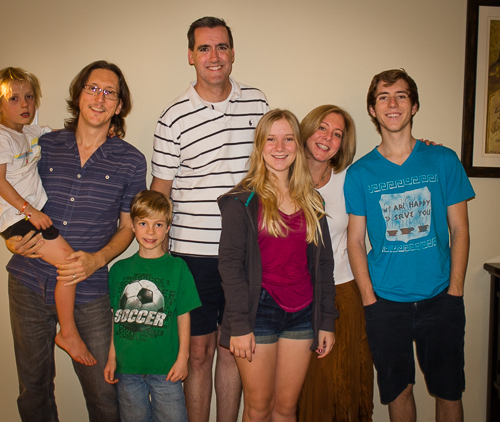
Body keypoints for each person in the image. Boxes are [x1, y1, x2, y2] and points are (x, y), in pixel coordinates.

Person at [5, 60, 147, 421]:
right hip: (28, 280)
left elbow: (128, 227)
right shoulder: (43, 144)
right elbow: (13, 197)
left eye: (109, 92)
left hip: (88, 288)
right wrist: (11, 241)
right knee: (33, 389)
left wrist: (98, 259)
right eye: (92, 88)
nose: (99, 98)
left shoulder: (131, 161)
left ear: (119, 105)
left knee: (104, 393)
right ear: (79, 95)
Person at [150, 16, 269, 422]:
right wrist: (157, 256)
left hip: (244, 252)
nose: (214, 56)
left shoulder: (257, 103)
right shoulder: (172, 116)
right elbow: (160, 193)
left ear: (232, 53)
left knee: (235, 348)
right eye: (204, 48)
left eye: (221, 47)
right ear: (191, 56)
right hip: (191, 256)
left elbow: (278, 162)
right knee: (198, 352)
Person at [345, 69, 475, 422]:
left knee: (448, 391)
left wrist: (456, 290)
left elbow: (460, 228)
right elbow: (355, 240)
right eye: (383, 97)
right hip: (386, 302)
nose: (392, 103)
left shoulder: (443, 160)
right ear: (372, 109)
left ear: (414, 106)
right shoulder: (360, 173)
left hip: (441, 298)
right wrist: (369, 299)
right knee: (397, 391)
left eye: (401, 95)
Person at [217, 109, 338, 422]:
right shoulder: (241, 201)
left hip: (303, 314)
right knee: (258, 408)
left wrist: (327, 320)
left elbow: (324, 265)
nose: (280, 147)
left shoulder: (312, 200)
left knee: (286, 409)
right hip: (259, 313)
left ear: (298, 145)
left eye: (288, 139)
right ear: (259, 146)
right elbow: (230, 266)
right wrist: (239, 325)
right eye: (271, 139)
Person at [0, 67, 96, 367]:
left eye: (29, 97)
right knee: (71, 265)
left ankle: (67, 331)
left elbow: (64, 135)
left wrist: (103, 133)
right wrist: (30, 211)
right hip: (17, 217)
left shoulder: (28, 133)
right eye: (14, 99)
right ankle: (68, 333)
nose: (24, 104)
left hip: (28, 215)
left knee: (68, 266)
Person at [297, 105, 374, 421]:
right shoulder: (282, 176)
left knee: (340, 384)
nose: (327, 137)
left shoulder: (348, 180)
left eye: (337, 134)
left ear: (343, 144)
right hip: (294, 298)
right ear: (307, 130)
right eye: (322, 127)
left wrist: (423, 147)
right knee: (301, 389)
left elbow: (358, 239)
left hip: (342, 292)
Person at [104, 190, 201, 422]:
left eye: (158, 224)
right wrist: (112, 357)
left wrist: (183, 358)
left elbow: (183, 316)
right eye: (143, 223)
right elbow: (116, 319)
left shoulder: (178, 268)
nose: (150, 231)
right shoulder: (118, 270)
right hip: (128, 369)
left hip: (166, 369)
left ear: (168, 228)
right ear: (132, 226)